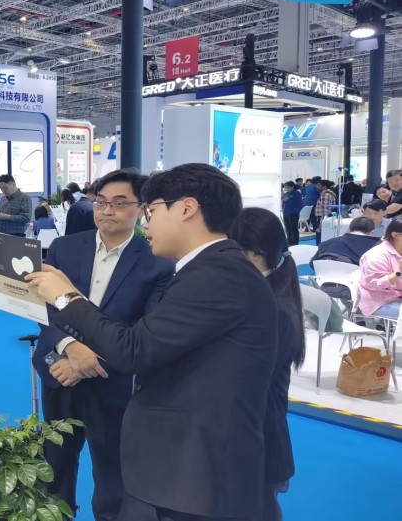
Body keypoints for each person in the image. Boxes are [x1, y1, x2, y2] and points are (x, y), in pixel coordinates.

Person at [26, 163, 277, 521]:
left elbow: (136, 347)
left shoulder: (214, 275)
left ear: (187, 208)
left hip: (193, 473)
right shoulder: (208, 269)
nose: (147, 223)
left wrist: (67, 298)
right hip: (178, 463)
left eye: (152, 210)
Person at [33, 169, 174, 520]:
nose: (107, 210)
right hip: (59, 372)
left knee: (113, 474)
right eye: (101, 202)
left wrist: (88, 359)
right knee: (54, 466)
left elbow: (145, 331)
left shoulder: (158, 262)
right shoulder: (64, 248)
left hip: (112, 382)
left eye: (120, 203)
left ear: (141, 209)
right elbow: (43, 307)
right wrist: (69, 347)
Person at [228, 208, 305, 521]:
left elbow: (244, 380)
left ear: (254, 255)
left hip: (255, 439)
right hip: (250, 437)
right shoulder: (265, 296)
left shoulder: (271, 310)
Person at [357, 217, 402, 320]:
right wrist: (398, 273)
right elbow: (374, 284)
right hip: (380, 301)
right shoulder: (377, 255)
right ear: (395, 235)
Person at [310, 217, 378, 267]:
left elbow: (312, 264)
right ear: (371, 233)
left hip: (323, 279)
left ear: (350, 229)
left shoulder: (326, 243)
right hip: (355, 280)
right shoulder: (376, 245)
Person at [314, 179, 338, 245]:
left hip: (323, 219)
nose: (317, 186)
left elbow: (325, 211)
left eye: (319, 185)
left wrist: (321, 224)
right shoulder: (328, 194)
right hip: (328, 219)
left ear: (324, 186)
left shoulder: (325, 195)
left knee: (321, 239)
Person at [281, 181, 303, 246]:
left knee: (294, 229)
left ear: (292, 186)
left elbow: (300, 203)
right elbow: (284, 202)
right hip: (286, 212)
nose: (287, 189)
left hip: (294, 213)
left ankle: (295, 243)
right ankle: (289, 242)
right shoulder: (287, 193)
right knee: (287, 229)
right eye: (285, 188)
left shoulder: (296, 193)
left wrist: (297, 210)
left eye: (288, 187)